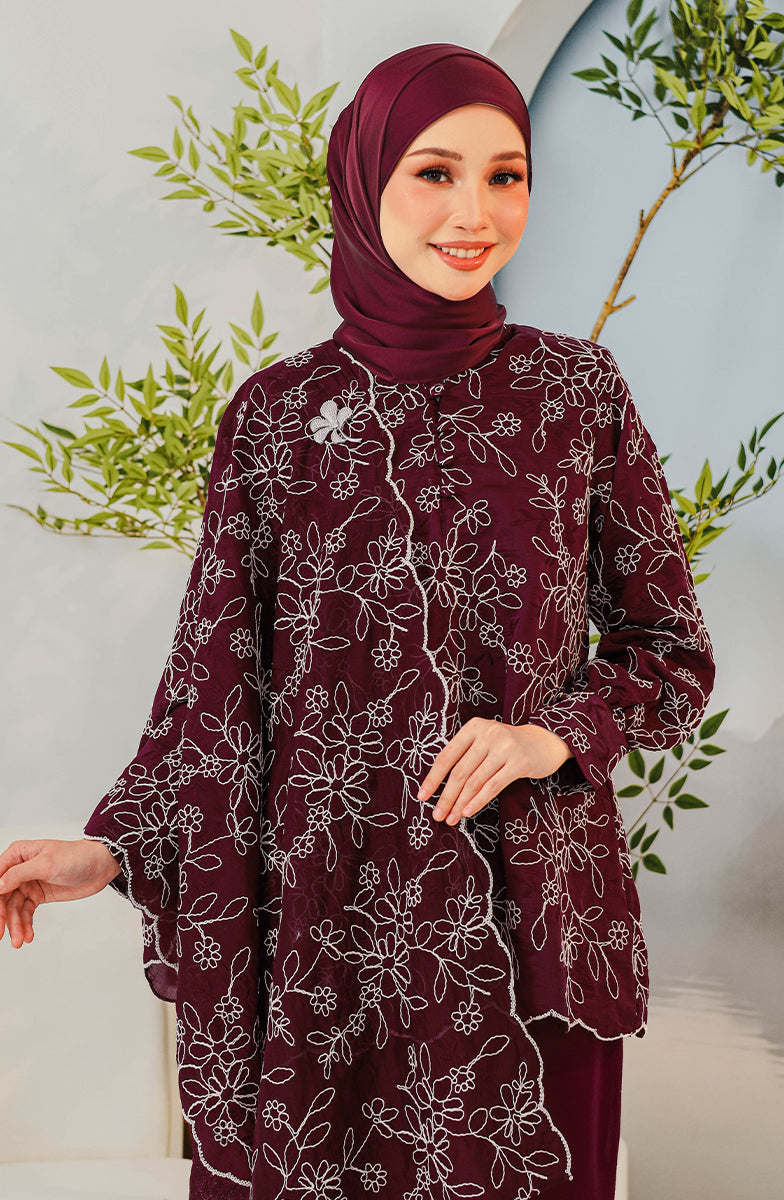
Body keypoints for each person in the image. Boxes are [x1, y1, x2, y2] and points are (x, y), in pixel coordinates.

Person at [0, 42, 715, 1200]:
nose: (474, 212)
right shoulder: (278, 416)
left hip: (523, 917)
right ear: (364, 181)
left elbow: (666, 652)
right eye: (434, 173)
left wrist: (549, 735)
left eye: (505, 176)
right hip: (324, 931)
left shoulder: (576, 394)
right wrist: (116, 849)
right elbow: (216, 691)